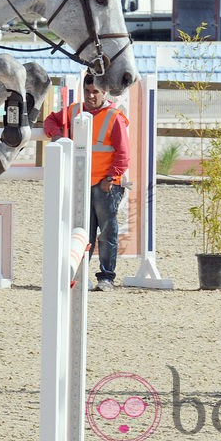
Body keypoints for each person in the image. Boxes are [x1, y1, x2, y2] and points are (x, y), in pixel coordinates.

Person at [43, 72, 131, 291]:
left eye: (95, 92)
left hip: (106, 184)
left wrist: (110, 178)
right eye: (88, 92)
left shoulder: (115, 116)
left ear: (105, 92)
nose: (91, 97)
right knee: (84, 231)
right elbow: (50, 120)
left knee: (107, 231)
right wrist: (56, 135)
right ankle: (80, 275)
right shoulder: (74, 110)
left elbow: (123, 154)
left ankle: (106, 277)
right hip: (82, 181)